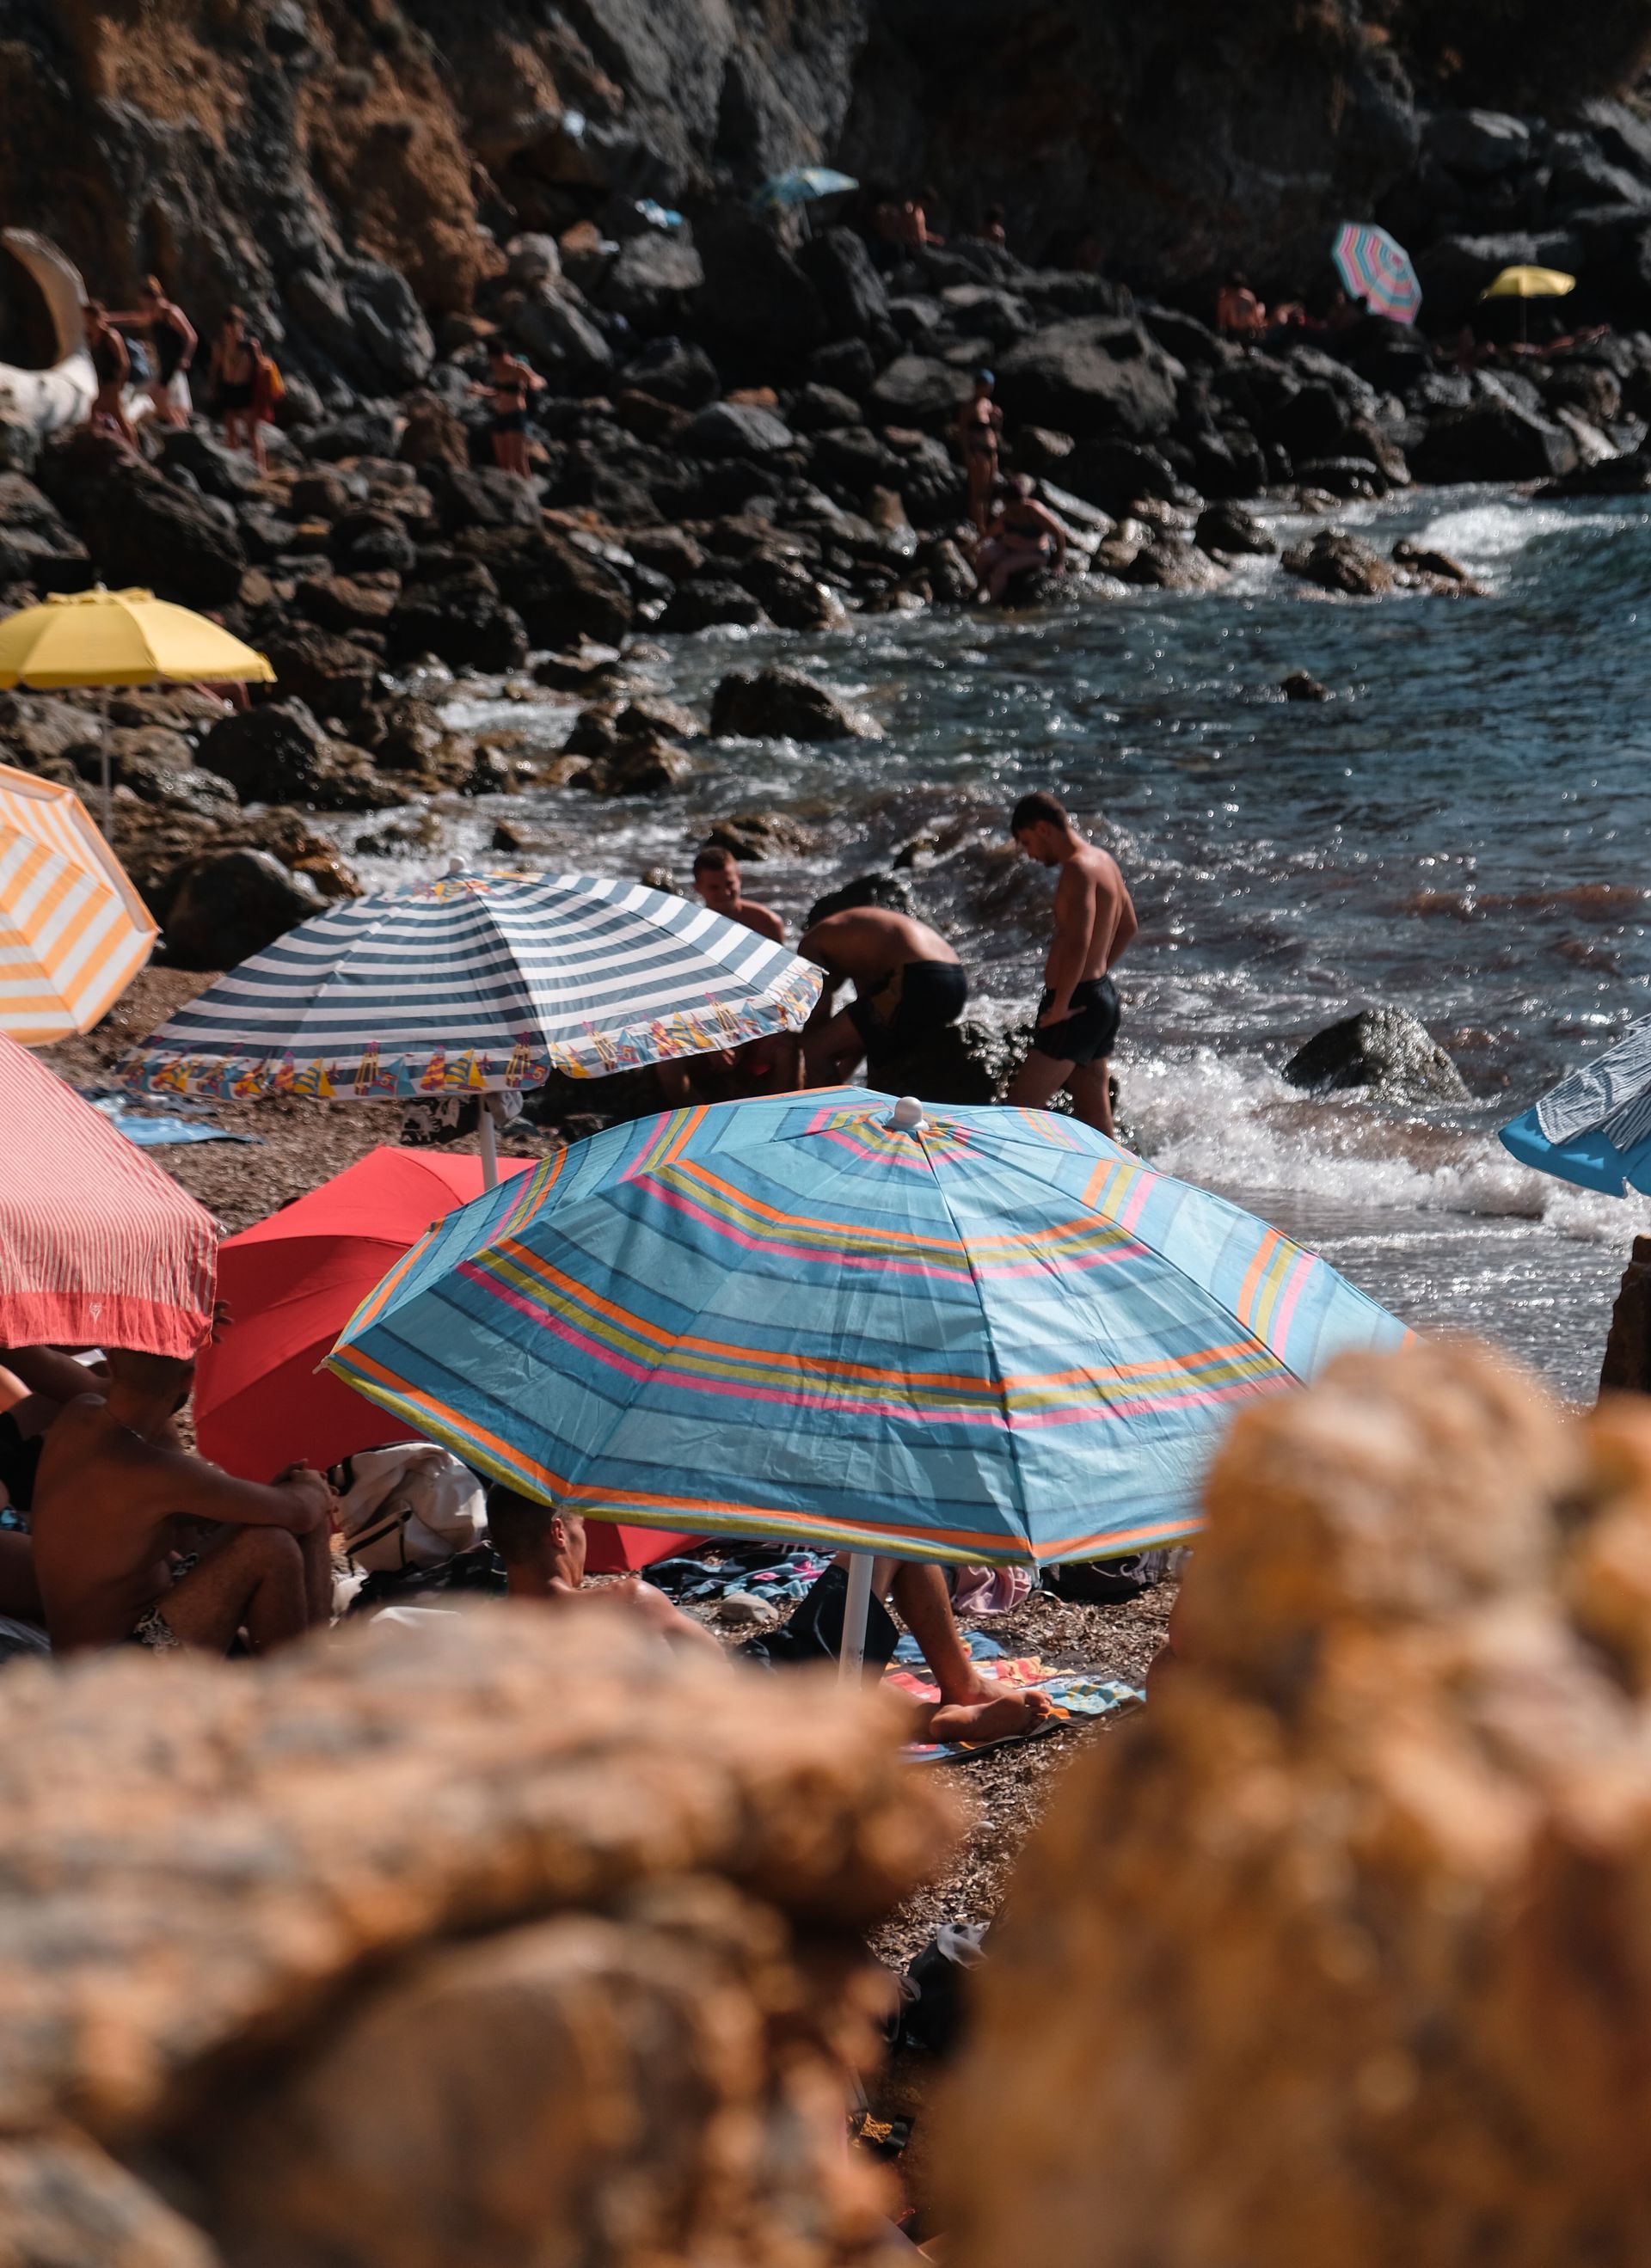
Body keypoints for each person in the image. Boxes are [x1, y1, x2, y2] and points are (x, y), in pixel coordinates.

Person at [30, 1350, 336, 1654]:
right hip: (111, 1667)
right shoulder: (157, 1472)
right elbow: (300, 1512)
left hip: (127, 1629)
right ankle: (297, 1685)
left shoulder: (80, 1413)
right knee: (273, 1546)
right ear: (189, 1381)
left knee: (278, 1517)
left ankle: (313, 1665)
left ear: (110, 1363)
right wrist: (311, 1486)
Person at [747, 1553, 1055, 1746]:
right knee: (893, 1541)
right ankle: (964, 1687)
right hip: (744, 1691)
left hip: (733, 1699)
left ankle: (928, 1718)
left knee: (834, 1677)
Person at [1004, 789, 1137, 1137]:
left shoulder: (1077, 870)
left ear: (1043, 828)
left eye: (1027, 841)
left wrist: (1061, 1007)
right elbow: (1128, 926)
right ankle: (1116, 1184)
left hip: (1075, 1005)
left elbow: (1079, 939)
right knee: (1096, 1117)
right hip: (1099, 998)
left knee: (1017, 1110)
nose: (1030, 854)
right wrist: (1099, 972)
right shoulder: (1102, 861)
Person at [487, 1486, 723, 1658]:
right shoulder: (630, 1601)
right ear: (558, 1533)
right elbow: (720, 1667)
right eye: (581, 1526)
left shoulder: (485, 1634)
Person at [797, 904, 967, 1084]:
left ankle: (826, 1110)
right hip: (954, 979)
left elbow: (815, 1029)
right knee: (873, 1045)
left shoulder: (810, 945)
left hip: (918, 978)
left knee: (817, 1050)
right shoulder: (853, 934)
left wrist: (795, 1052)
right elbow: (861, 1034)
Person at [109, 276, 196, 426]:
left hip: (173, 363)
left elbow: (191, 336)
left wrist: (186, 358)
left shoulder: (171, 312)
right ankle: (180, 426)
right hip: (163, 364)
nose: (145, 307)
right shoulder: (154, 314)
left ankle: (180, 427)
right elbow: (133, 319)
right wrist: (108, 319)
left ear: (152, 298)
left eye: (145, 303)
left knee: (157, 396)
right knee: (162, 399)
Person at [975, 474, 1067, 604]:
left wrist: (1059, 562)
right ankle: (980, 588)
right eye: (1007, 504)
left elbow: (1058, 533)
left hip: (1035, 553)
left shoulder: (1033, 511)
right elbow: (991, 532)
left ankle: (993, 605)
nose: (1011, 508)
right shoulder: (1007, 512)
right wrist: (973, 546)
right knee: (983, 557)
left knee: (1001, 570)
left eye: (1014, 505)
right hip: (1009, 547)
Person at [475, 339, 544, 480]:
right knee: (503, 462)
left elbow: (539, 380)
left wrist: (533, 384)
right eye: (494, 360)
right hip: (500, 416)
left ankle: (528, 493)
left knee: (519, 461)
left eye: (499, 359)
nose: (497, 363)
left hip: (516, 415)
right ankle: (510, 495)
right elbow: (498, 392)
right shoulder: (497, 371)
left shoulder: (518, 368)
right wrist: (479, 391)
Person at [691, 845, 786, 944]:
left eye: (729, 884)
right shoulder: (693, 927)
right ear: (697, 888)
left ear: (739, 878)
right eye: (714, 887)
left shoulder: (767, 923)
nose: (725, 893)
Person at [211, 307, 265, 467]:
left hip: (246, 389)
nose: (231, 334)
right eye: (227, 330)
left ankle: (261, 469)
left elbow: (261, 367)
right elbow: (215, 369)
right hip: (228, 388)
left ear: (240, 326)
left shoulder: (250, 345)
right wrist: (212, 388)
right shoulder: (220, 345)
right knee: (230, 429)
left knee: (251, 431)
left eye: (233, 329)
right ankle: (236, 466)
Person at [954, 370, 1003, 535]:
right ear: (978, 386)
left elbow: (994, 430)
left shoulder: (988, 405)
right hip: (978, 451)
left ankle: (986, 525)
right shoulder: (969, 407)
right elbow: (962, 433)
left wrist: (998, 419)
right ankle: (979, 526)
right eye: (987, 386)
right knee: (978, 491)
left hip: (991, 451)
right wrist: (967, 453)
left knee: (989, 489)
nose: (989, 390)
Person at [83, 301, 138, 451]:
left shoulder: (110, 336)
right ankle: (105, 443)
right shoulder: (91, 337)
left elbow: (124, 363)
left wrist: (119, 385)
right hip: (104, 383)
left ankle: (132, 449)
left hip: (113, 383)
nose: (88, 323)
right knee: (109, 413)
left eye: (90, 319)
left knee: (106, 412)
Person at [1215, 273, 1266, 340]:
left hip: (1245, 328)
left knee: (1261, 307)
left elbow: (1255, 314)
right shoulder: (1226, 297)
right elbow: (1222, 314)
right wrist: (1221, 327)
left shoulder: (1248, 297)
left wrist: (1258, 328)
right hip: (1231, 328)